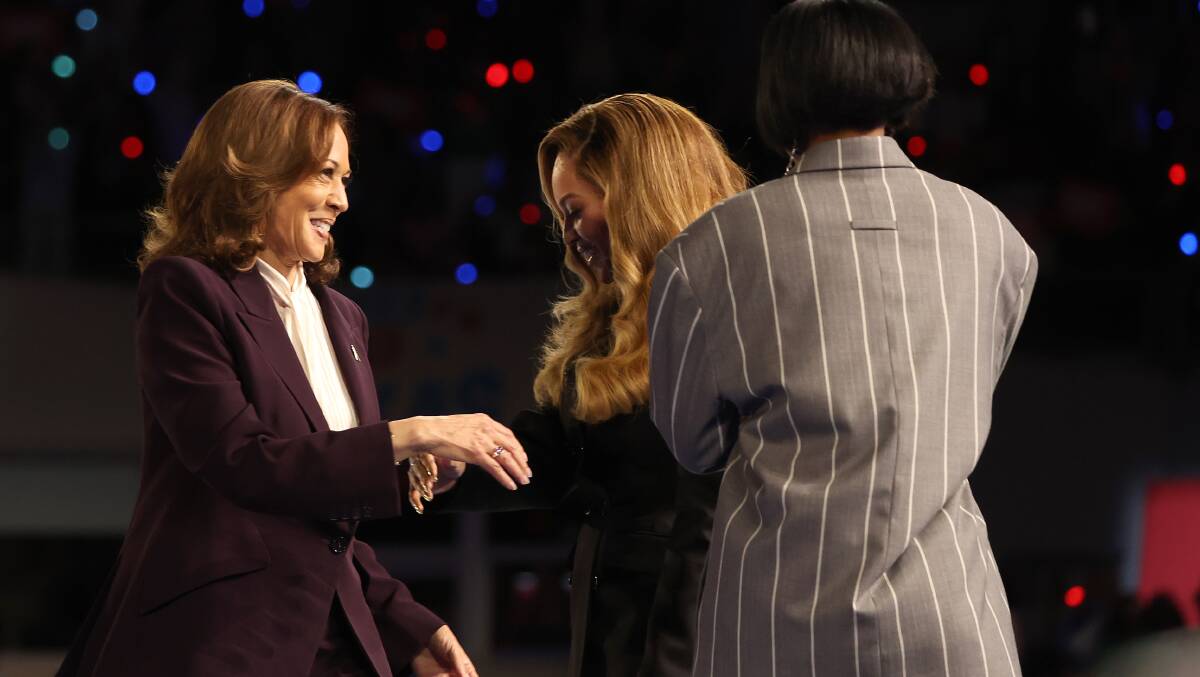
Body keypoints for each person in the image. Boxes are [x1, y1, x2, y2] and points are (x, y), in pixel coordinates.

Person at [57, 79, 531, 677]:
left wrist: (409, 624)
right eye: (325, 175)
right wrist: (408, 435)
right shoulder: (186, 290)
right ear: (257, 174)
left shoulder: (343, 317)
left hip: (333, 645)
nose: (342, 201)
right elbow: (242, 461)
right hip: (219, 641)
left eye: (345, 180)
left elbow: (328, 529)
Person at [648, 1, 1037, 675]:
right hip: (950, 625)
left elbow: (692, 442)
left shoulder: (710, 247)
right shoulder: (993, 236)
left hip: (775, 630)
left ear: (780, 90)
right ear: (903, 78)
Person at [413, 93, 746, 676]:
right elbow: (559, 457)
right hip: (614, 632)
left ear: (637, 199)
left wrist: (671, 660)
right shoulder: (606, 321)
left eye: (573, 209)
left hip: (690, 643)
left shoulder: (733, 313)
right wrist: (456, 466)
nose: (567, 235)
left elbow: (712, 522)